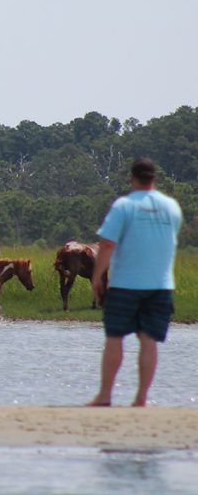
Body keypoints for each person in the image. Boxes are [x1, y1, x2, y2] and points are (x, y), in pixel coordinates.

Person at [87, 158, 182, 407]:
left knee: (115, 337)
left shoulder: (123, 206)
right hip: (161, 285)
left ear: (132, 178)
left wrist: (97, 276)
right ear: (154, 178)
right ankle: (141, 398)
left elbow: (107, 244)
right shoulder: (171, 207)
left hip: (125, 284)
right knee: (149, 340)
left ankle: (105, 395)